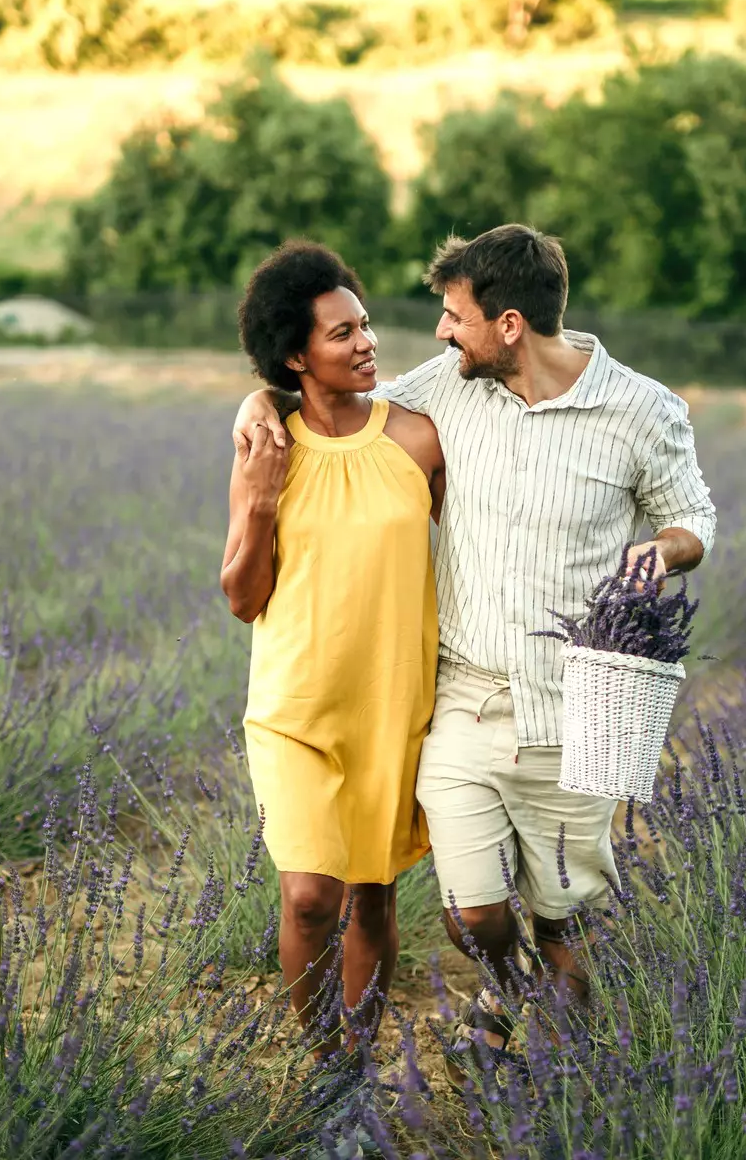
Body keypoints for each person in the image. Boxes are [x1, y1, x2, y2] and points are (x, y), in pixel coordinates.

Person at [232, 224, 716, 1069]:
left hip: (569, 697)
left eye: (455, 316)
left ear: (511, 325)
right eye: (440, 317)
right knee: (465, 912)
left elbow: (694, 515)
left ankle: (549, 1055)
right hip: (451, 696)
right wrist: (256, 402)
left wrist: (663, 549)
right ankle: (426, 1032)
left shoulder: (638, 409)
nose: (437, 333)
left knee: (558, 914)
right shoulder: (445, 389)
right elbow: (319, 397)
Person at [220, 240, 445, 1062]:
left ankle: (357, 1056)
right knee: (311, 895)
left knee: (374, 899)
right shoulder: (267, 443)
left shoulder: (418, 439)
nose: (366, 342)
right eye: (342, 332)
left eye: (366, 324)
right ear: (295, 354)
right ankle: (323, 1062)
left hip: (393, 705)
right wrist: (260, 503)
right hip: (295, 707)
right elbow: (243, 597)